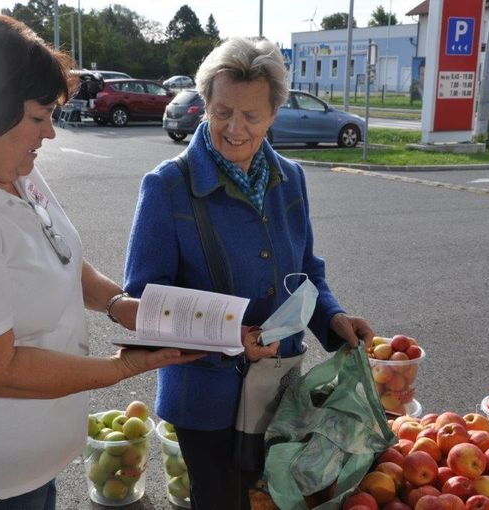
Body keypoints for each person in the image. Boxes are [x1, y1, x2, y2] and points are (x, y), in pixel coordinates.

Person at [0, 16, 201, 510]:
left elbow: (61, 254)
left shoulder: (2, 166)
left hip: (27, 467)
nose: (50, 133)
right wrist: (121, 367)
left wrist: (118, 304)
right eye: (39, 116)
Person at [122, 37, 374, 510]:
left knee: (276, 500)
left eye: (251, 116)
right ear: (205, 106)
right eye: (221, 112)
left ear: (275, 114)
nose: (234, 129)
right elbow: (145, 305)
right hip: (205, 400)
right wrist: (229, 335)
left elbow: (307, 273)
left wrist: (333, 320)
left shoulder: (290, 179)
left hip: (278, 389)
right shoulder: (167, 187)